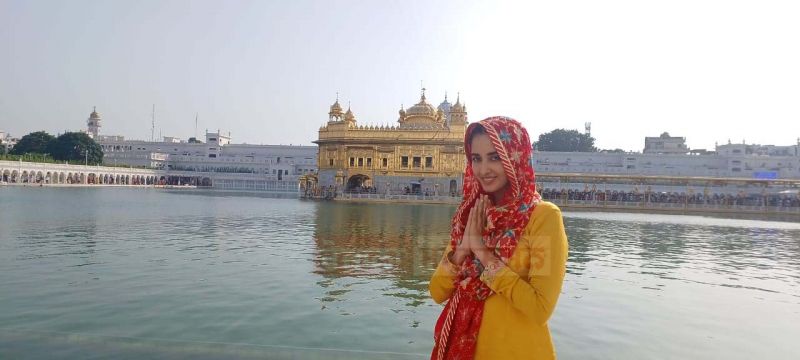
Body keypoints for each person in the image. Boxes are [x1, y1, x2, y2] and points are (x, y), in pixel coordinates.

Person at [429, 116, 569, 359]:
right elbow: (437, 292)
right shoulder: (471, 214)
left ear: (516, 157)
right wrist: (462, 251)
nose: (483, 170)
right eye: (476, 159)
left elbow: (540, 308)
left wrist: (483, 254)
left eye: (495, 157)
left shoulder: (542, 217)